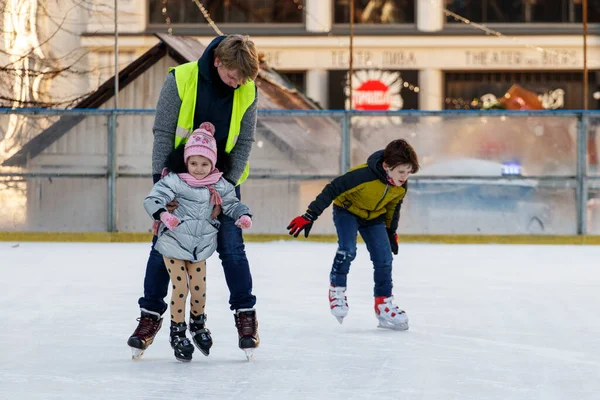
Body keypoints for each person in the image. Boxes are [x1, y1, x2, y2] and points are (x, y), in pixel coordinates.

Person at [128, 34, 260, 359]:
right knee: (164, 249)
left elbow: (244, 142)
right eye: (233, 76)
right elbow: (163, 132)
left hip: (222, 183)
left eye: (243, 79)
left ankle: (246, 315)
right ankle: (150, 317)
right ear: (218, 62)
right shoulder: (182, 79)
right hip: (177, 181)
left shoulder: (247, 89)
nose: (237, 83)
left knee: (232, 247)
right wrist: (162, 185)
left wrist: (222, 186)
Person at [143, 123, 253, 362]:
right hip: (172, 243)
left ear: (213, 163)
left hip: (200, 248)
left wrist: (243, 215)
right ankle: (177, 332)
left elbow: (232, 203)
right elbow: (154, 198)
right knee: (181, 288)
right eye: (193, 163)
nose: (199, 169)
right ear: (186, 161)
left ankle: (198, 325)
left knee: (200, 291)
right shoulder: (174, 180)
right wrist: (163, 215)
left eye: (205, 164)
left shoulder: (219, 184)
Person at [286, 139, 419, 330]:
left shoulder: (400, 186)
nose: (405, 177)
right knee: (348, 249)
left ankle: (383, 303)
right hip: (347, 211)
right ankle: (337, 289)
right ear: (386, 166)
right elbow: (332, 188)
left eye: (408, 172)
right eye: (401, 172)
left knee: (384, 258)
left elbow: (393, 208)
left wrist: (391, 233)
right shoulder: (363, 175)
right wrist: (310, 215)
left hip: (374, 217)